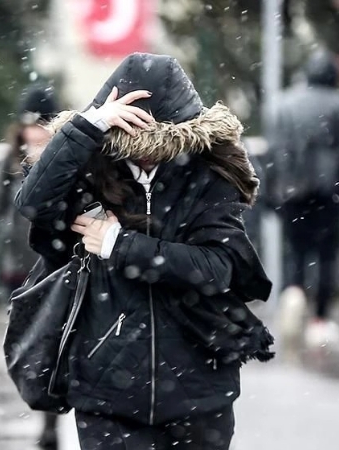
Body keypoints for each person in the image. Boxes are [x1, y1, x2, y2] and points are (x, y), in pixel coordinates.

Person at [15, 53, 274, 450]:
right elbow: (33, 203)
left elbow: (216, 267)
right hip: (106, 389)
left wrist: (121, 246)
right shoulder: (93, 170)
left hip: (198, 386)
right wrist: (90, 125)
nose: (145, 153)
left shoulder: (208, 176)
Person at [0, 83, 61, 450]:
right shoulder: (11, 164)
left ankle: (50, 419)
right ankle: (40, 398)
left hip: (54, 263)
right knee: (29, 343)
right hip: (17, 268)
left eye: (40, 125)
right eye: (29, 125)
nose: (34, 133)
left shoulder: (65, 159)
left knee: (52, 341)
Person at [267, 49, 339, 348]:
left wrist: (271, 192)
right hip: (329, 192)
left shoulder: (284, 103)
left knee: (295, 250)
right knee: (327, 255)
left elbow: (274, 151)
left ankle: (293, 293)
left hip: (292, 190)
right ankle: (320, 320)